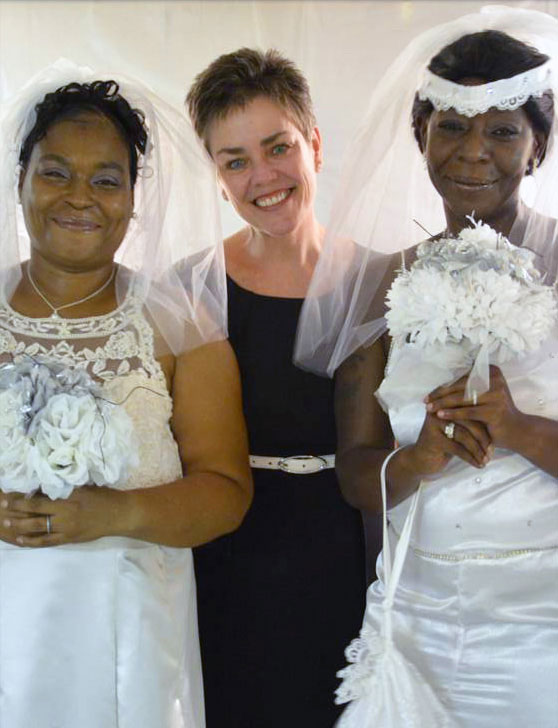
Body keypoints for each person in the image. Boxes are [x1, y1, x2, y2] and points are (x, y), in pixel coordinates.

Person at [295, 6, 558, 727]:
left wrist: (521, 429)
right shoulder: (377, 286)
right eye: (451, 126)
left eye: (503, 131)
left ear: (537, 147)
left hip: (545, 625)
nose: (474, 151)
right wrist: (417, 460)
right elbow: (355, 472)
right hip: (419, 619)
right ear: (421, 137)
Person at [0, 60, 252, 728]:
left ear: (133, 199)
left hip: (132, 636)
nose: (79, 196)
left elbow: (226, 493)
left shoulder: (180, 328)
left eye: (106, 180)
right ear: (20, 180)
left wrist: (109, 514)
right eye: (55, 171)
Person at [186, 48, 368, 726]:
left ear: (314, 145)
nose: (262, 176)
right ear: (217, 174)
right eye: (235, 160)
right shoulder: (188, 290)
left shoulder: (380, 280)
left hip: (354, 560)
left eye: (277, 147)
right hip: (234, 567)